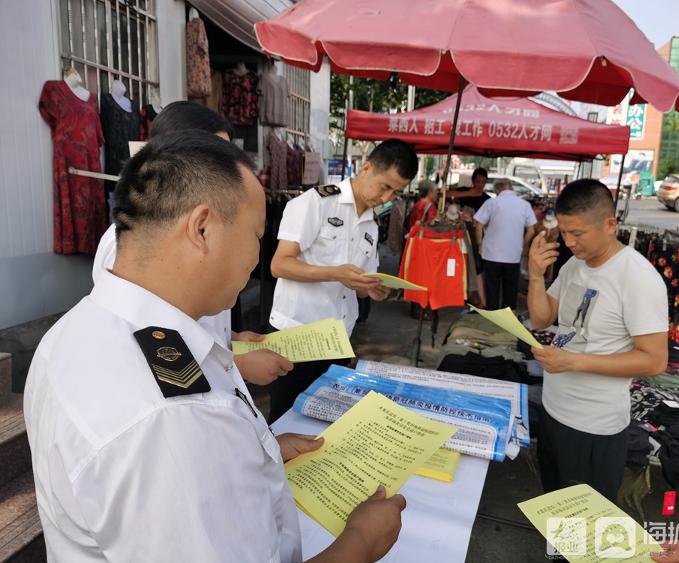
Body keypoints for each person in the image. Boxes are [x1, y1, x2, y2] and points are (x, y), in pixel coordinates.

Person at [24, 130, 406, 562]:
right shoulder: (173, 420)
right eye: (256, 236)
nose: (257, 258)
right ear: (202, 228)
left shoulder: (73, 330)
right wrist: (361, 542)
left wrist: (255, 452)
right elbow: (175, 451)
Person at [92, 100, 293, 387]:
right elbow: (147, 349)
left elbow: (196, 325)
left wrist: (232, 340)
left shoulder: (210, 238)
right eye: (213, 157)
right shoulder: (124, 244)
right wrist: (233, 364)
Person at [527, 179, 668, 501]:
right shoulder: (574, 265)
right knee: (555, 503)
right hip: (554, 409)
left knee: (584, 525)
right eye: (564, 232)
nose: (569, 242)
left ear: (610, 225)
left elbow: (654, 360)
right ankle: (556, 552)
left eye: (578, 233)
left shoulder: (637, 277)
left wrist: (574, 361)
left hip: (594, 425)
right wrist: (536, 275)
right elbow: (542, 317)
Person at [268, 139, 419, 421]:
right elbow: (280, 264)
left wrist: (373, 289)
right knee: (285, 420)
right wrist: (335, 272)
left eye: (396, 192)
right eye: (385, 186)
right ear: (366, 167)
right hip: (298, 332)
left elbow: (359, 283)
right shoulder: (316, 202)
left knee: (322, 420)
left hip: (338, 339)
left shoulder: (372, 225)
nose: (387, 198)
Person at [474, 179, 537, 310]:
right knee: (510, 290)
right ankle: (508, 319)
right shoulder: (524, 205)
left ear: (497, 190)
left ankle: (493, 318)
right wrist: (523, 244)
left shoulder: (491, 202)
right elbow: (531, 231)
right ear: (511, 188)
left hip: (491, 254)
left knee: (492, 289)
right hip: (513, 255)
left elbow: (479, 226)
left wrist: (480, 244)